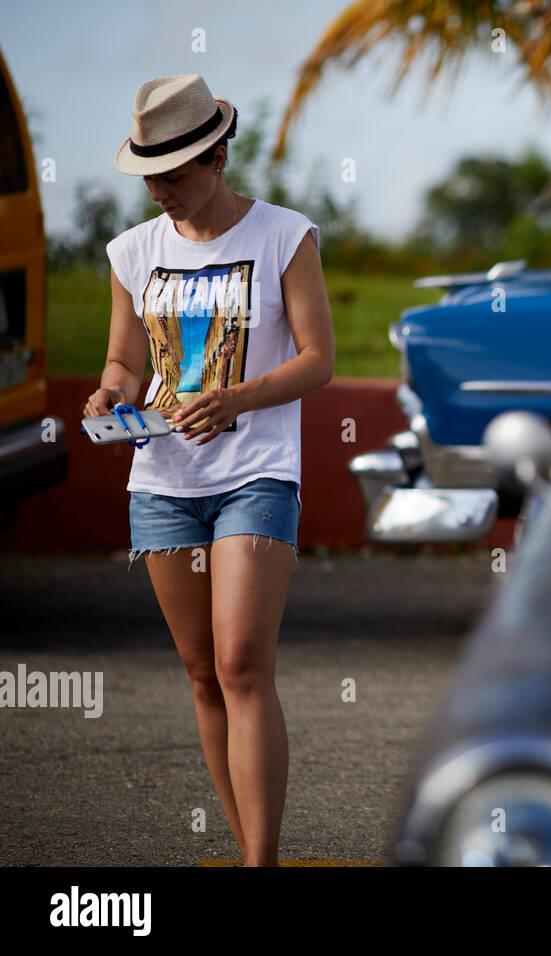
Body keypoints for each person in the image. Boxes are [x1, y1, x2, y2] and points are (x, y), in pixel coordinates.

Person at [83, 74, 333, 867]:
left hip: (256, 472)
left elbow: (320, 360)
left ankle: (262, 862)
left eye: (177, 174)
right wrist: (110, 396)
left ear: (220, 155)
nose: (161, 191)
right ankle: (242, 847)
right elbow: (126, 359)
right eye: (150, 175)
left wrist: (237, 400)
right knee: (200, 674)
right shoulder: (132, 251)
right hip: (161, 482)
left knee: (240, 662)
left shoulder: (284, 237)